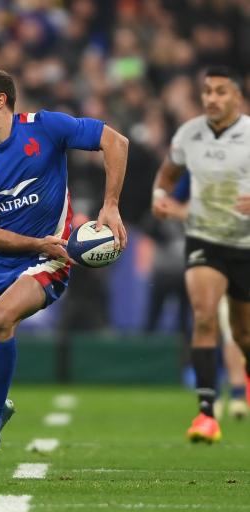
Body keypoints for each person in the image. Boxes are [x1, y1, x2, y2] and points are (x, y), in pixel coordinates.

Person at [0, 67, 128, 465]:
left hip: (52, 257)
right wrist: (34, 241)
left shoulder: (45, 127)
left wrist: (111, 204)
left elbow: (115, 142)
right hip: (6, 258)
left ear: (0, 100)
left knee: (1, 319)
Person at [152, 66, 250, 443]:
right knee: (205, 316)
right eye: (207, 91)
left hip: (244, 244)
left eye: (221, 92)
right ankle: (206, 414)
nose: (212, 98)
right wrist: (162, 200)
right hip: (204, 239)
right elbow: (167, 175)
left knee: (243, 333)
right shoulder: (189, 134)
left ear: (236, 98)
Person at [155, 170, 249, 421]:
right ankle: (217, 397)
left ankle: (237, 393)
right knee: (210, 319)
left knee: (239, 330)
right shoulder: (197, 163)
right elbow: (172, 202)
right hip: (210, 251)